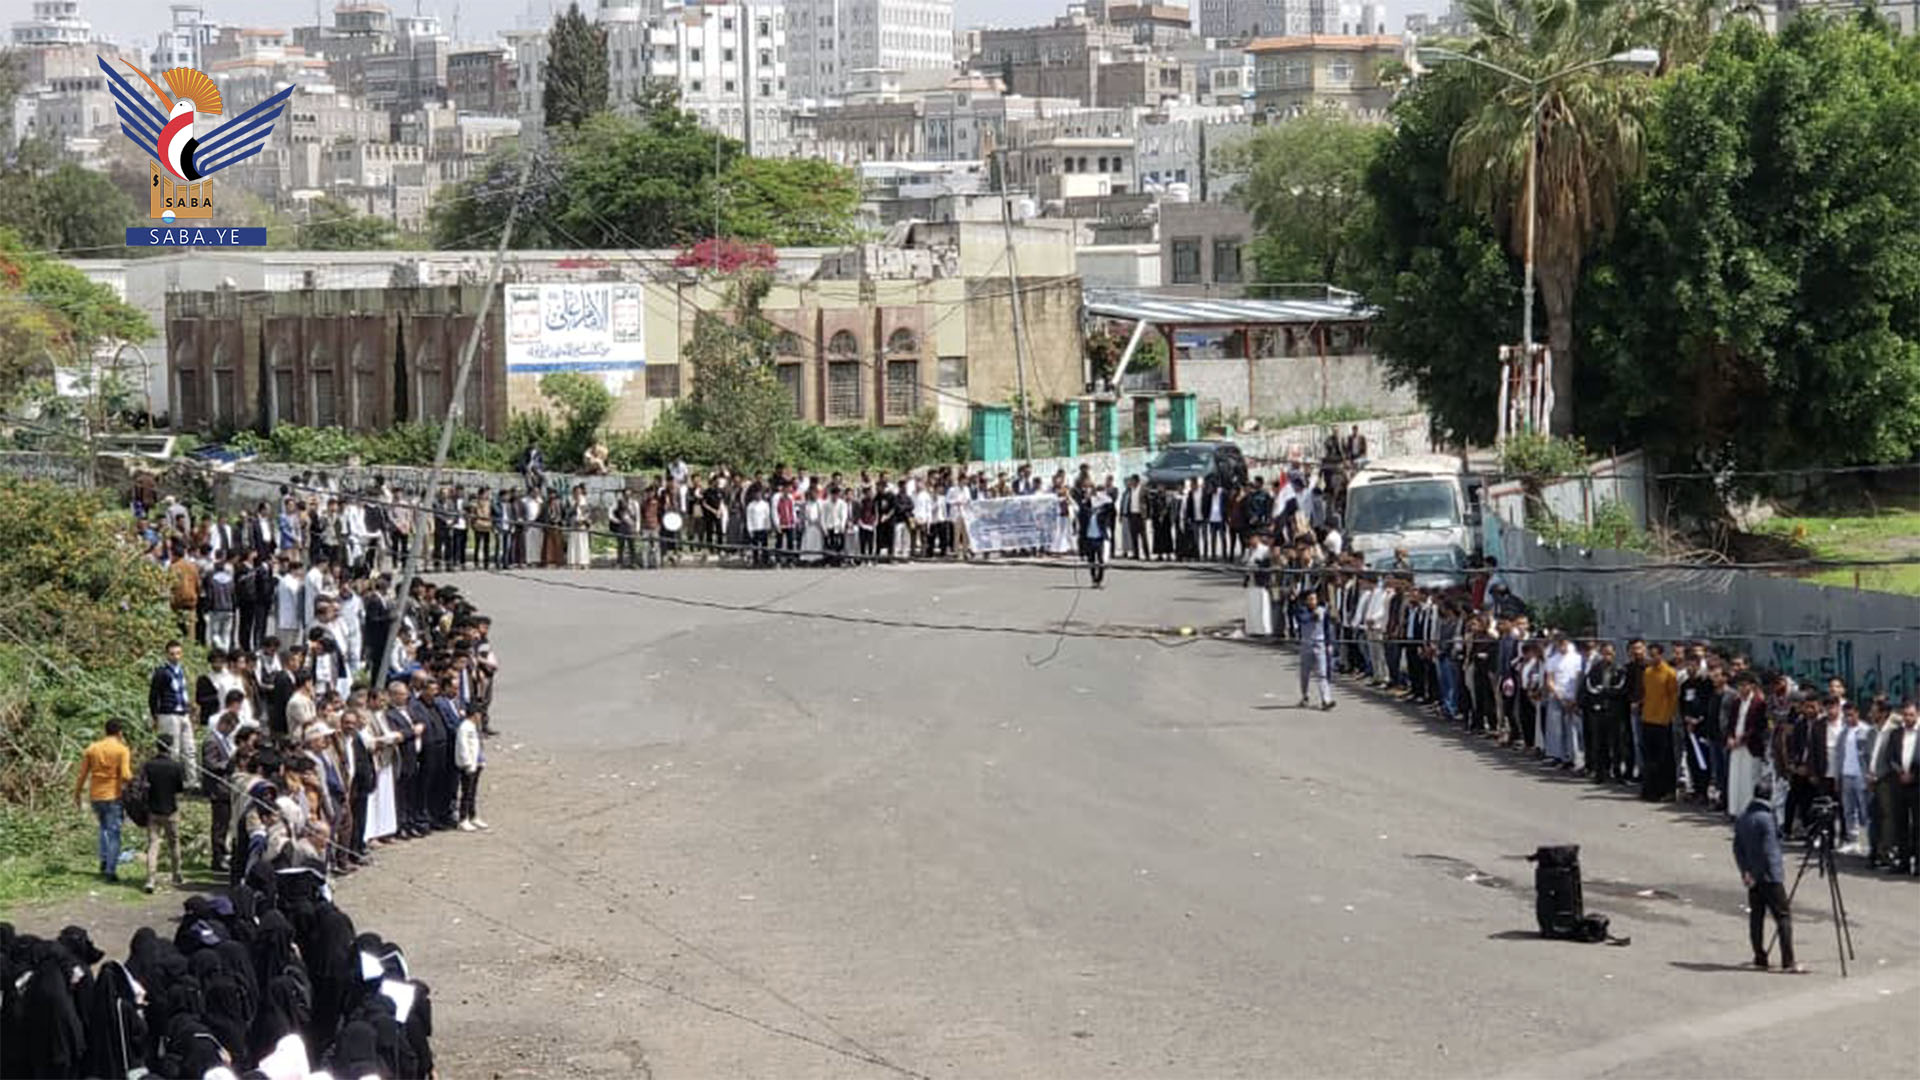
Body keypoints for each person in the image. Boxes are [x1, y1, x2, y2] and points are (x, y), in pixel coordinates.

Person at [1733, 780, 1802, 973]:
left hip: (1752, 877)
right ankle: (1788, 961)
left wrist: (1746, 871)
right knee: (1783, 916)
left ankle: (1759, 955)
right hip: (1769, 876)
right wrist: (1772, 873)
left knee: (1757, 916)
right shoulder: (1766, 818)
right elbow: (1769, 849)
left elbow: (1737, 848)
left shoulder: (1743, 817)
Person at [75, 719, 133, 882]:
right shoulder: (122, 750)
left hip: (95, 795)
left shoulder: (92, 748)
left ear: (105, 731)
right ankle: (110, 869)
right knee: (114, 832)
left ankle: (104, 859)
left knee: (103, 828)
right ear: (120, 733)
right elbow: (126, 775)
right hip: (113, 795)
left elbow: (82, 774)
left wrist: (77, 794)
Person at [201, 695, 244, 877]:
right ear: (224, 724)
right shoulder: (212, 741)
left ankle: (222, 854)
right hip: (218, 789)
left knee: (225, 824)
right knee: (219, 825)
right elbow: (210, 764)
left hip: (227, 788)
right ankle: (217, 858)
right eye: (231, 728)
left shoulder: (226, 741)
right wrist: (228, 764)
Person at [139, 735, 186, 893]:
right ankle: (177, 873)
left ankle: (150, 879)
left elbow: (142, 786)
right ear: (170, 747)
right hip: (171, 810)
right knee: (174, 843)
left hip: (153, 810)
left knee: (153, 844)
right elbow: (180, 789)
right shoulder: (176, 766)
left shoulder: (148, 765)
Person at [1640, 644, 1680, 800]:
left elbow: (1673, 697)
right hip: (1648, 718)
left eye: (1655, 655)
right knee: (1649, 757)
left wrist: (1668, 716)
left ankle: (1666, 790)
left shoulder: (1669, 673)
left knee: (1664, 758)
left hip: (1663, 720)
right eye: (1650, 655)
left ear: (1661, 655)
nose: (1652, 657)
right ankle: (1650, 790)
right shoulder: (1648, 672)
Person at [1297, 590, 1335, 711]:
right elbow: (1302, 619)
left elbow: (1327, 628)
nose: (1312, 601)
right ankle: (1305, 695)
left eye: (1314, 599)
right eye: (1310, 599)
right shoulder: (1302, 611)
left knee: (1322, 673)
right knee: (1305, 673)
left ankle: (1326, 699)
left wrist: (1329, 644)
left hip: (1320, 644)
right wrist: (1312, 615)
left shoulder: (1323, 611)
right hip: (1306, 644)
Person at [455, 706, 488, 831]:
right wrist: (467, 763)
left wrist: (481, 760)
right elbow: (463, 747)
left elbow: (478, 745)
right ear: (474, 714)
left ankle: (473, 815)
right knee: (466, 792)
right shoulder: (465, 727)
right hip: (469, 766)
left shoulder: (474, 726)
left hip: (477, 763)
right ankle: (463, 819)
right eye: (479, 714)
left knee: (473, 792)